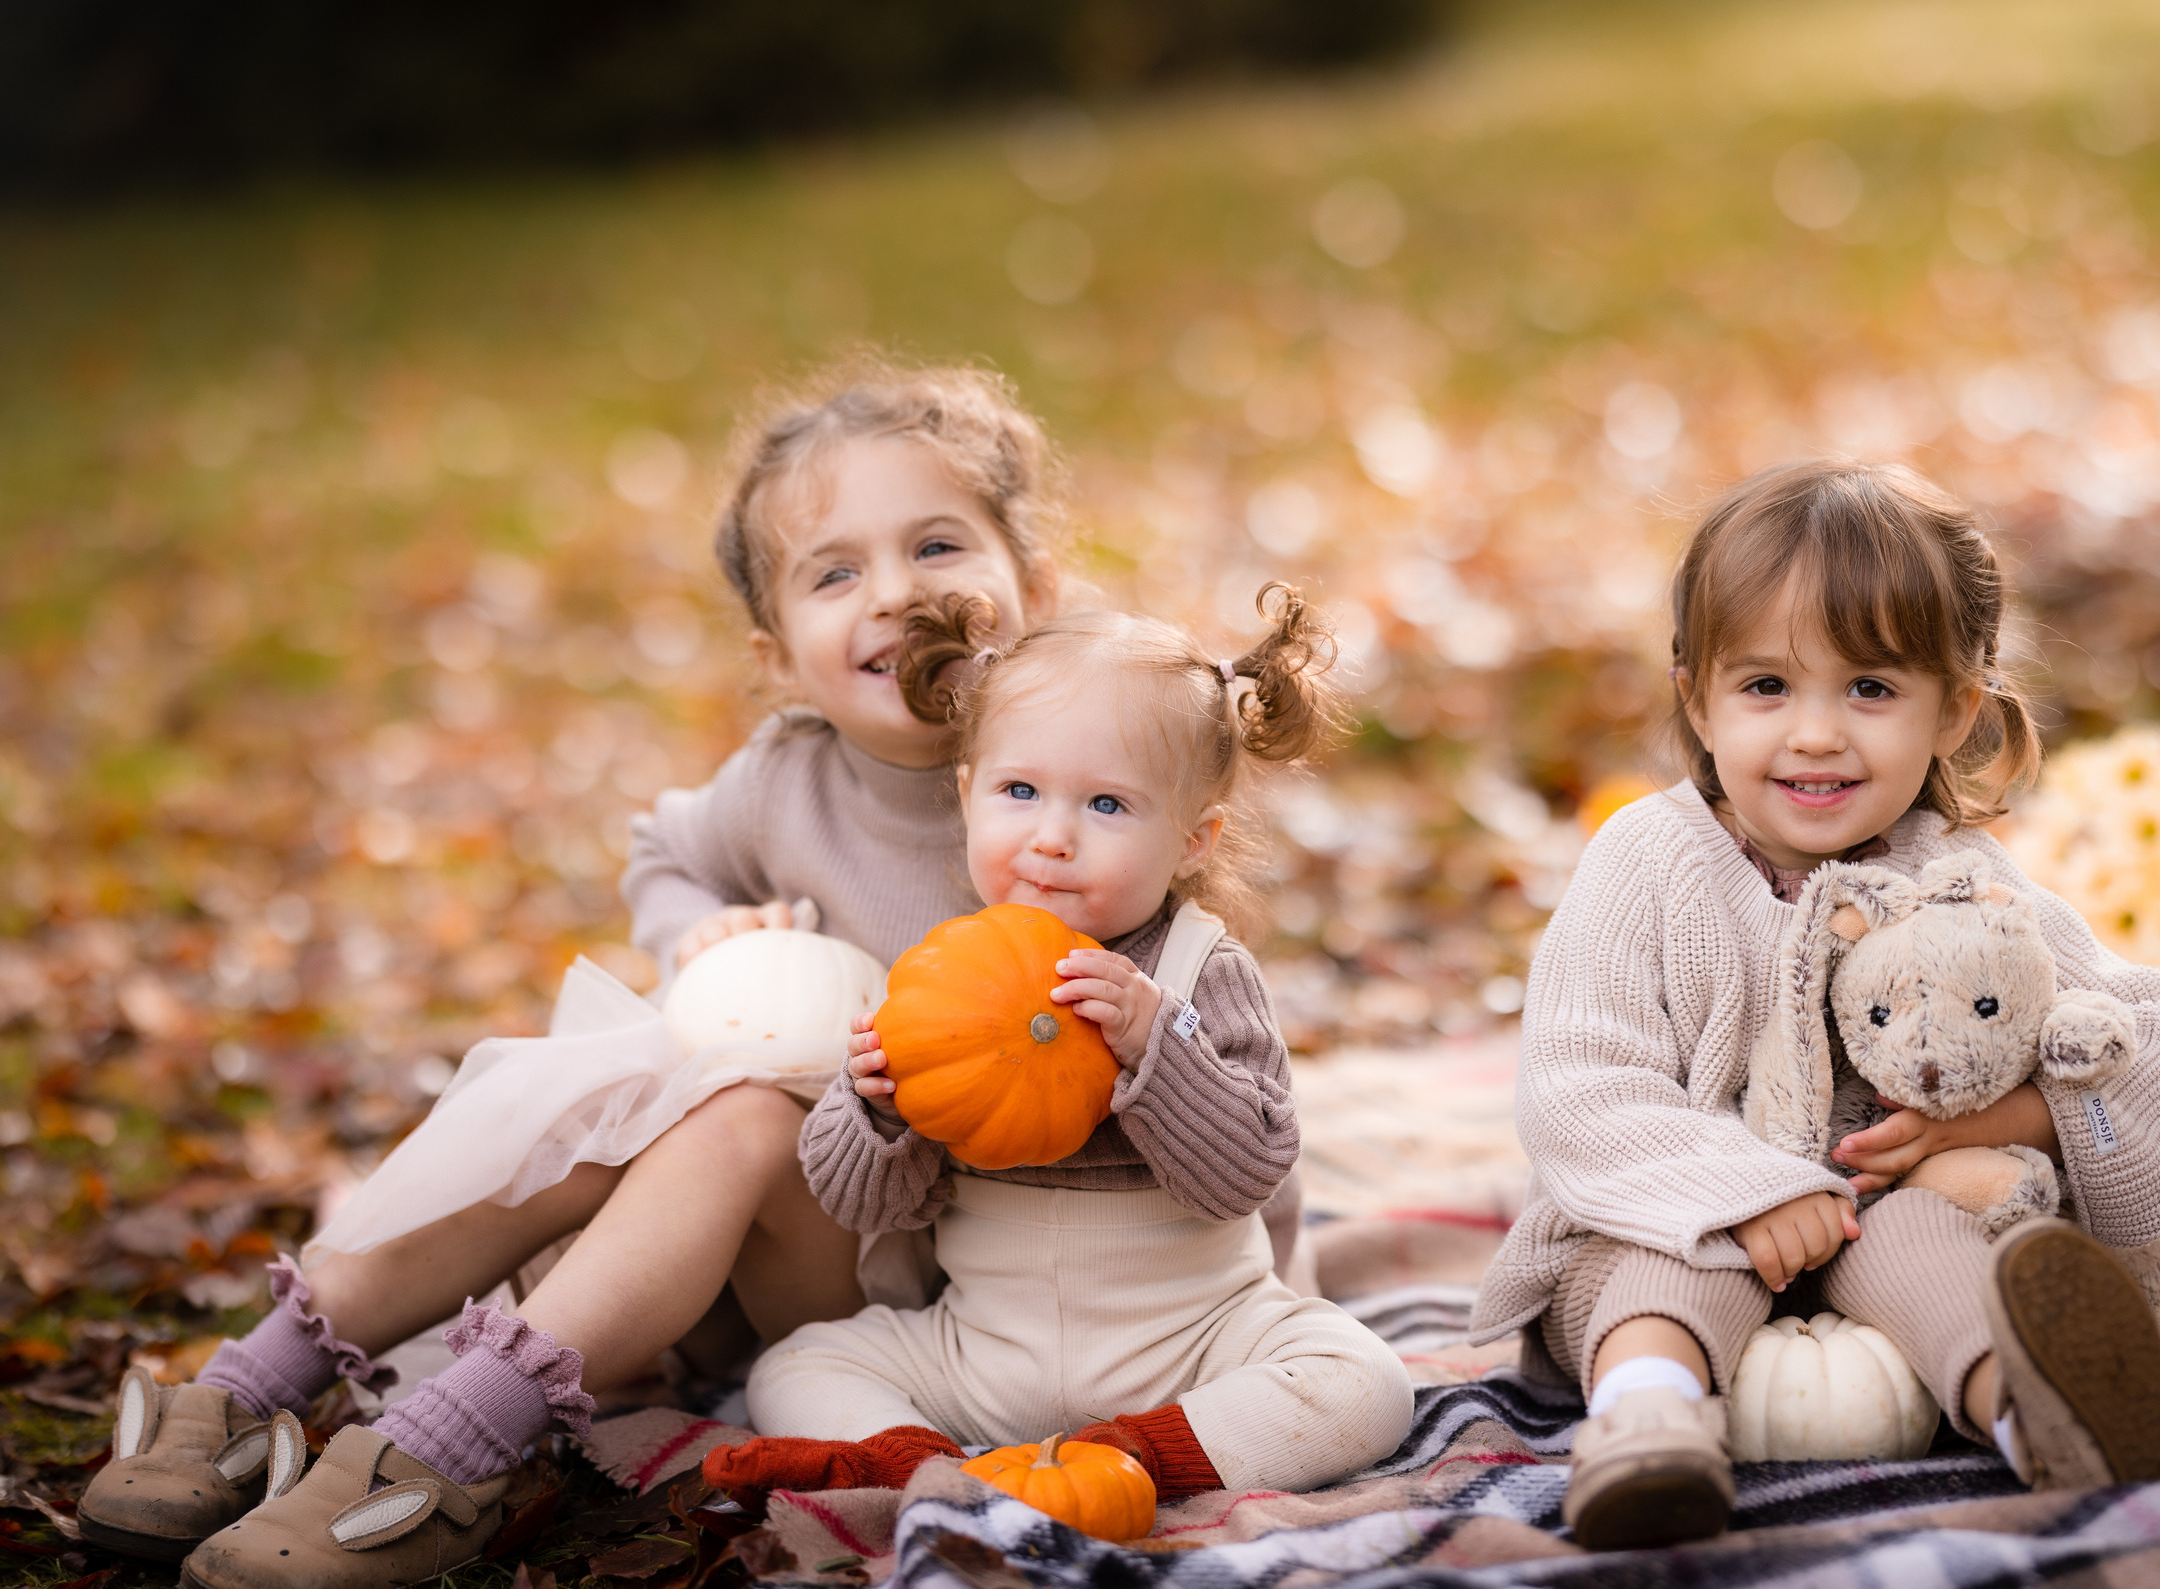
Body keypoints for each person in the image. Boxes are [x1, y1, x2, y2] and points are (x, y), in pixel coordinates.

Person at [94, 360, 1095, 1588]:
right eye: (836, 572)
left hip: (914, 1280)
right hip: (720, 1249)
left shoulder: (1070, 788)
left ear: (1034, 589)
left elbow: (1193, 1015)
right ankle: (252, 1384)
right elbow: (664, 853)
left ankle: (444, 1454)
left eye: (937, 545)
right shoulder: (786, 774)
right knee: (614, 1092)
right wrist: (696, 936)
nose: (894, 595)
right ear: (778, 653)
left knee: (734, 1112)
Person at [1469, 459, 2160, 1551]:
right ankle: (1647, 1427)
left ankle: (2038, 1413)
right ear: (1698, 697)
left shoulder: (1961, 882)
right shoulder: (1645, 859)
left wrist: (2002, 1122)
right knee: (1655, 1261)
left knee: (1931, 1241)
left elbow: (2143, 1043)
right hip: (1687, 1215)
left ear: (1954, 711)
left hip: (1880, 1220)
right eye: (1767, 687)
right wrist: (1746, 1190)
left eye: (1869, 689)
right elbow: (1583, 1086)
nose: (1816, 733)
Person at [702, 590, 1413, 1503]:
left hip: (1196, 1340)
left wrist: (1156, 1048)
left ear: (1193, 841)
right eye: (1019, 792)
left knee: (1366, 1386)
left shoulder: (1200, 970)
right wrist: (875, 1106)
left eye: (1108, 804)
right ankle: (929, 1468)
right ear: (967, 797)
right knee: (795, 1367)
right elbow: (860, 1204)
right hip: (982, 1355)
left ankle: (1140, 1456)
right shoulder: (942, 973)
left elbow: (1248, 1174)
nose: (1052, 837)